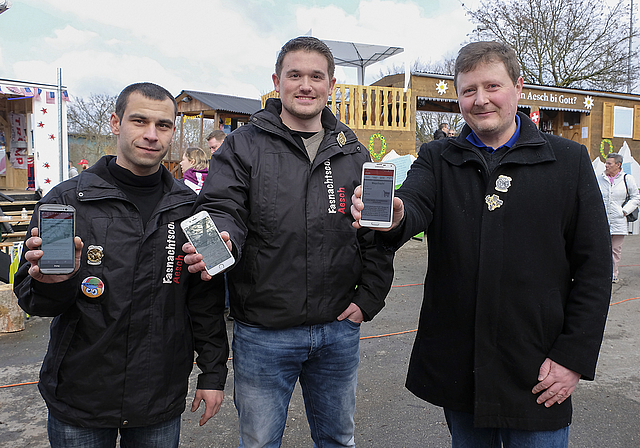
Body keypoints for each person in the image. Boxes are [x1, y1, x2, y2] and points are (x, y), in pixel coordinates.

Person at [351, 41, 612, 447]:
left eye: (492, 86)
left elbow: (594, 269)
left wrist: (573, 358)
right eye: (468, 90)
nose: (481, 99)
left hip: (539, 368)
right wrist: (397, 213)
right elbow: (414, 204)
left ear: (518, 87)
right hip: (462, 368)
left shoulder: (569, 161)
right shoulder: (438, 157)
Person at [185, 36, 394, 448]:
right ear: (276, 81)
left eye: (316, 76)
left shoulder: (352, 151)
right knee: (260, 442)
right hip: (264, 333)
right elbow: (220, 207)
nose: (305, 85)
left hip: (337, 331)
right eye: (294, 75)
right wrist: (221, 240)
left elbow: (374, 235)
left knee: (337, 439)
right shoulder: (243, 146)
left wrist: (370, 297)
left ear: (331, 85)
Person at [14, 82, 229, 447]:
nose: (151, 134)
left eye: (163, 125)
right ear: (115, 123)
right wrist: (54, 282)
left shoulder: (190, 209)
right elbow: (35, 303)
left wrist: (213, 373)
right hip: (80, 397)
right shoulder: (67, 201)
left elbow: (205, 302)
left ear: (173, 132)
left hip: (157, 398)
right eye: (139, 121)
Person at [596, 152, 640, 283]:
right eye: (606, 162)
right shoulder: (600, 178)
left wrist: (624, 211)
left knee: (615, 250)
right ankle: (600, 273)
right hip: (602, 220)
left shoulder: (627, 178)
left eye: (609, 163)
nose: (606, 165)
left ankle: (613, 274)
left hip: (619, 220)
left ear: (618, 165)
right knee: (601, 249)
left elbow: (635, 197)